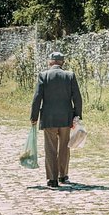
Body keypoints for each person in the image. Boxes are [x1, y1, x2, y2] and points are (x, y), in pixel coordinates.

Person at [30, 51, 83, 188]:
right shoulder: (69, 75)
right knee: (65, 147)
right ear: (62, 62)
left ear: (50, 62)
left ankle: (52, 179)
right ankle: (63, 175)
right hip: (66, 118)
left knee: (50, 148)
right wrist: (77, 116)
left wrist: (34, 117)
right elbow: (77, 97)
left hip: (49, 119)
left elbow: (37, 98)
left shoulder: (44, 75)